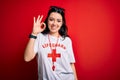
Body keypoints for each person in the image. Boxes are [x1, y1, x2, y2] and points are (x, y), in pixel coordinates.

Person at [24, 6, 78, 80]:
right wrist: (34, 34)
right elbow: (27, 58)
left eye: (58, 21)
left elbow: (71, 64)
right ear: (47, 21)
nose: (54, 23)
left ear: (62, 23)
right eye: (51, 19)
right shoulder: (40, 37)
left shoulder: (67, 40)